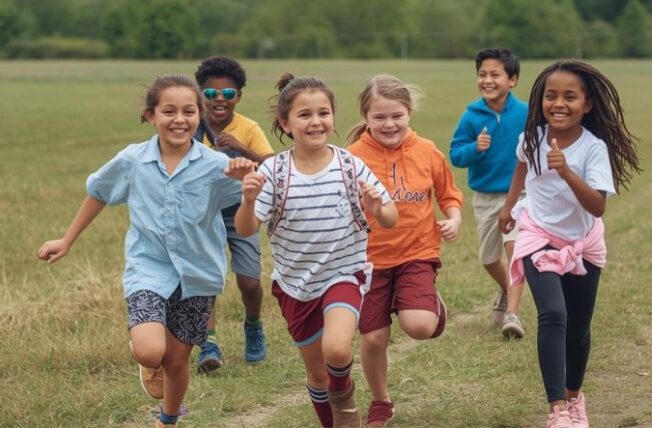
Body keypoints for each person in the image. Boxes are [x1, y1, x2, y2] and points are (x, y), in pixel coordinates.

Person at [36, 75, 255, 428]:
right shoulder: (133, 160)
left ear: (199, 117)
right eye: (169, 111)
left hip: (199, 275)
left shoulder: (217, 167)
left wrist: (248, 187)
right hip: (148, 268)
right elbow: (99, 192)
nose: (179, 119)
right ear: (151, 116)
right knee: (151, 351)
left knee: (178, 362)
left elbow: (248, 224)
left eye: (188, 111)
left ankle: (167, 420)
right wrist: (66, 240)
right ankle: (146, 358)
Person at [235, 73, 398, 428]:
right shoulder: (274, 172)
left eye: (323, 113)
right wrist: (248, 201)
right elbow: (246, 228)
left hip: (344, 274)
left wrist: (377, 205)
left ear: (333, 117)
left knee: (337, 349)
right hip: (295, 285)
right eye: (304, 115)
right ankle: (334, 414)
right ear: (285, 123)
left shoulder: (348, 165)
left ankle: (346, 407)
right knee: (317, 374)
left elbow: (390, 217)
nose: (316, 122)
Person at [498, 59, 640, 428]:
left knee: (578, 325)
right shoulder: (532, 138)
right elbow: (521, 166)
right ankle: (557, 409)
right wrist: (509, 205)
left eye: (569, 97)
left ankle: (576, 399)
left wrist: (565, 170)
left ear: (587, 105)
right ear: (540, 100)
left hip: (583, 243)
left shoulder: (593, 149)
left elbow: (596, 205)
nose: (558, 103)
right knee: (553, 314)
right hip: (537, 235)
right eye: (550, 96)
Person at [345, 75, 464, 427]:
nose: (389, 124)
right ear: (365, 117)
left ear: (409, 113)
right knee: (373, 337)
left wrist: (454, 219)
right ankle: (381, 401)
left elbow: (449, 194)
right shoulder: (351, 158)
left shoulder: (426, 150)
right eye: (379, 117)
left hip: (417, 252)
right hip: (367, 261)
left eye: (396, 115)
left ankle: (427, 304)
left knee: (419, 326)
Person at [193, 55, 274, 371]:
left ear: (238, 96)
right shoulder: (192, 126)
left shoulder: (248, 127)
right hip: (203, 213)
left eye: (228, 94)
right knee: (206, 280)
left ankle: (253, 326)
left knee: (250, 282)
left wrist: (242, 149)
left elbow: (274, 166)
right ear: (202, 94)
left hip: (241, 210)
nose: (219, 100)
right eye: (211, 94)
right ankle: (208, 343)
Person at [449, 47, 528, 338]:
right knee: (488, 258)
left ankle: (513, 314)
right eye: (482, 74)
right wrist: (475, 149)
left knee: (515, 248)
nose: (487, 80)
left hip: (520, 195)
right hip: (485, 198)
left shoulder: (526, 112)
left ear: (512, 80)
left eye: (495, 74)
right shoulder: (471, 116)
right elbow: (455, 155)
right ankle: (507, 289)